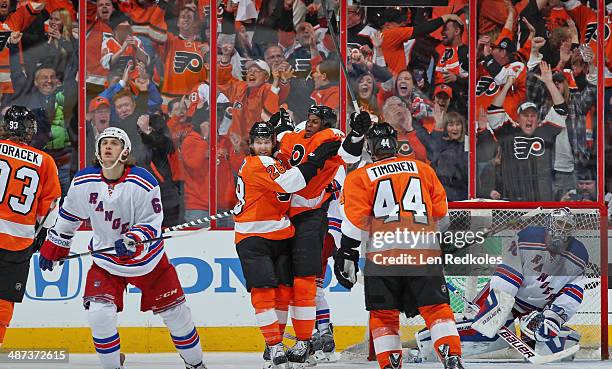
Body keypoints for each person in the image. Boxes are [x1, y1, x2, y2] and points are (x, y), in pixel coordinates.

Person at [38, 127, 205, 369]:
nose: (108, 147)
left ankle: (196, 364)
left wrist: (134, 239)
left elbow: (152, 223)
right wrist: (55, 246)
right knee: (99, 314)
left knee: (177, 315)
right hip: (107, 262)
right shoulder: (84, 181)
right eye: (104, 143)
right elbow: (68, 217)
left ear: (125, 151)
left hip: (149, 261)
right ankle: (113, 365)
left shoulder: (142, 182)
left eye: (114, 143)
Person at [334, 123, 465, 369]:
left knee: (384, 315)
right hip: (423, 251)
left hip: (383, 256)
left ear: (369, 147)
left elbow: (354, 226)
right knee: (436, 308)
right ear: (395, 144)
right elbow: (442, 215)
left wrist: (347, 253)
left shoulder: (359, 177)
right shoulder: (422, 169)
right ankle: (452, 355)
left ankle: (390, 363)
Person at [234, 121, 340, 369]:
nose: (261, 147)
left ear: (272, 143)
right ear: (250, 144)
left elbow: (287, 172)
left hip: (280, 235)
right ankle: (274, 346)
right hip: (253, 237)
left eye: (266, 142)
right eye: (257, 143)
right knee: (264, 293)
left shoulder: (275, 162)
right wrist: (315, 160)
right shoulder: (258, 163)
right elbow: (292, 183)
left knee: (283, 292)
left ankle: (281, 344)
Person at [275, 105, 371, 366]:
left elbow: (345, 157)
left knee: (306, 283)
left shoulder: (326, 140)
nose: (310, 125)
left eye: (314, 121)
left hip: (320, 222)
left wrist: (356, 135)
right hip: (313, 221)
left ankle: (318, 336)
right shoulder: (312, 136)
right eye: (309, 120)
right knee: (307, 283)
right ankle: (322, 334)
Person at [464, 208, 585, 359]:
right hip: (507, 296)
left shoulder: (579, 255)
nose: (561, 229)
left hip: (536, 311)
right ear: (548, 224)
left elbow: (572, 292)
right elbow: (509, 272)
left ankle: (560, 337)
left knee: (543, 344)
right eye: (559, 223)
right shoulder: (528, 237)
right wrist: (499, 306)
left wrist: (553, 317)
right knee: (481, 333)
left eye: (567, 226)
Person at [0, 106, 61, 349]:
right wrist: (42, 235)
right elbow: (51, 208)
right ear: (29, 129)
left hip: (17, 241)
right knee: (3, 299)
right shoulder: (44, 161)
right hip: (18, 242)